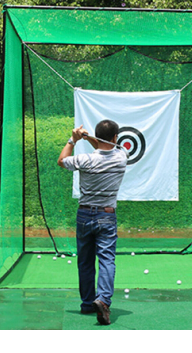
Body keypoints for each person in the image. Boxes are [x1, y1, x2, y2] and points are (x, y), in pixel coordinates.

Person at [57, 120, 127, 325]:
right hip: (107, 216)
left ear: (97, 136)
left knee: (85, 261)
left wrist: (75, 139)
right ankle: (103, 300)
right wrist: (88, 138)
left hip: (84, 215)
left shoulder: (84, 159)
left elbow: (62, 160)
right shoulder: (122, 156)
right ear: (115, 138)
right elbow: (104, 146)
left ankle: (88, 303)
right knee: (106, 259)